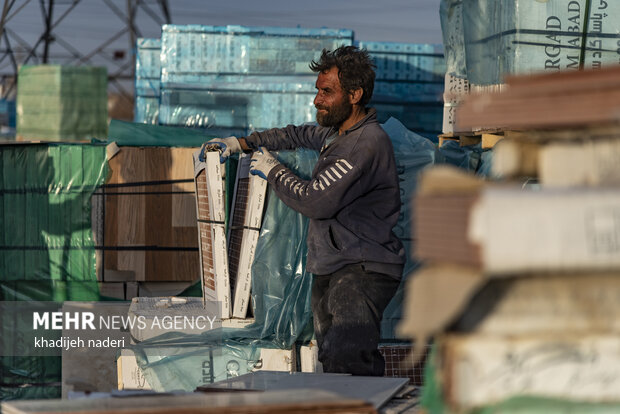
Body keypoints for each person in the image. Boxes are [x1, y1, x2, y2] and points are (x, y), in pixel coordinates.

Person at [200, 45, 405, 376]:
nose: (317, 100)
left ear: (355, 95)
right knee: (333, 360)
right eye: (317, 91)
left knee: (347, 360)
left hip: (361, 271)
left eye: (327, 92)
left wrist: (274, 171)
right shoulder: (336, 133)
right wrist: (243, 142)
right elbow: (295, 134)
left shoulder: (363, 144)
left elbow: (314, 201)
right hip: (333, 265)